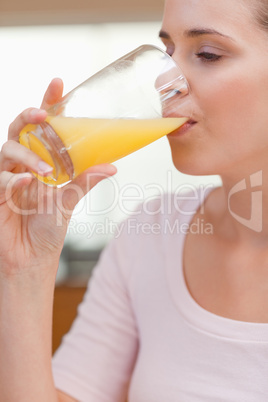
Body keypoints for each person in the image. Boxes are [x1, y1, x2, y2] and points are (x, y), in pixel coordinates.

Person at [1, 0, 268, 400]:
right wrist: (22, 271)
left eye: (208, 54)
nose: (167, 85)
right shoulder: (152, 235)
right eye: (168, 53)